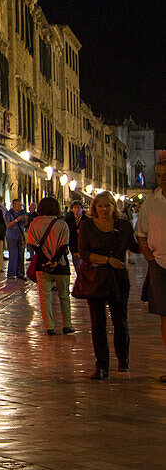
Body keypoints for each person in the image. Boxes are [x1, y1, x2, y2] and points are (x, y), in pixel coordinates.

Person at [79, 192, 139, 380]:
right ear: (94, 208)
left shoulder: (124, 226)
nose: (103, 209)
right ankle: (102, 365)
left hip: (118, 279)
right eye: (100, 206)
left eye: (107, 206)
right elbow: (84, 253)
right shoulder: (87, 226)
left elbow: (136, 247)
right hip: (96, 278)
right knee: (98, 323)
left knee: (120, 321)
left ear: (114, 207)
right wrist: (108, 260)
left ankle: (123, 360)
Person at [135, 160, 166, 385]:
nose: (162, 177)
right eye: (159, 174)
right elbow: (141, 234)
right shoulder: (150, 204)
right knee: (165, 316)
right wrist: (149, 256)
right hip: (160, 265)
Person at [26, 196, 73, 336]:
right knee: (64, 296)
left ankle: (49, 327)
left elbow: (34, 245)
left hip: (42, 265)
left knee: (44, 297)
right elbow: (64, 245)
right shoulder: (62, 224)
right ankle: (67, 325)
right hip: (61, 265)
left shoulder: (34, 224)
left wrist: (46, 260)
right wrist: (54, 260)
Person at [4, 199, 29, 279]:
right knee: (13, 255)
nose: (20, 207)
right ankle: (11, 273)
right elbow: (8, 225)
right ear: (13, 205)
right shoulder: (9, 213)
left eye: (20, 205)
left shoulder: (22, 213)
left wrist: (26, 220)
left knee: (21, 255)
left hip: (20, 236)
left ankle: (20, 273)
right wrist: (17, 220)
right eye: (18, 205)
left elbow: (24, 224)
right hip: (12, 236)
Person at [65, 202, 85, 273]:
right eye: (75, 208)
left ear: (81, 209)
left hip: (84, 244)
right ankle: (79, 275)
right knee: (76, 262)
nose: (77, 210)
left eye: (78, 208)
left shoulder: (86, 219)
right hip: (73, 243)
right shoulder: (68, 219)